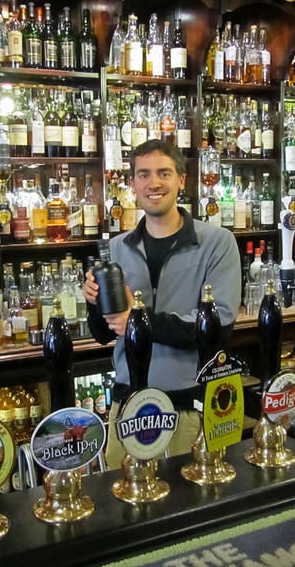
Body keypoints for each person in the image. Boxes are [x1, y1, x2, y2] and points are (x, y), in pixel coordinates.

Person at [83, 140, 241, 469]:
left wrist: (139, 323)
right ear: (133, 185)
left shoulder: (216, 242)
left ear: (181, 180)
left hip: (189, 403)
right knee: (124, 505)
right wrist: (93, 302)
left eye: (163, 173)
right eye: (143, 175)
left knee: (193, 504)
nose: (153, 183)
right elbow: (102, 334)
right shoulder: (116, 248)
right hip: (129, 403)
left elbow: (218, 328)